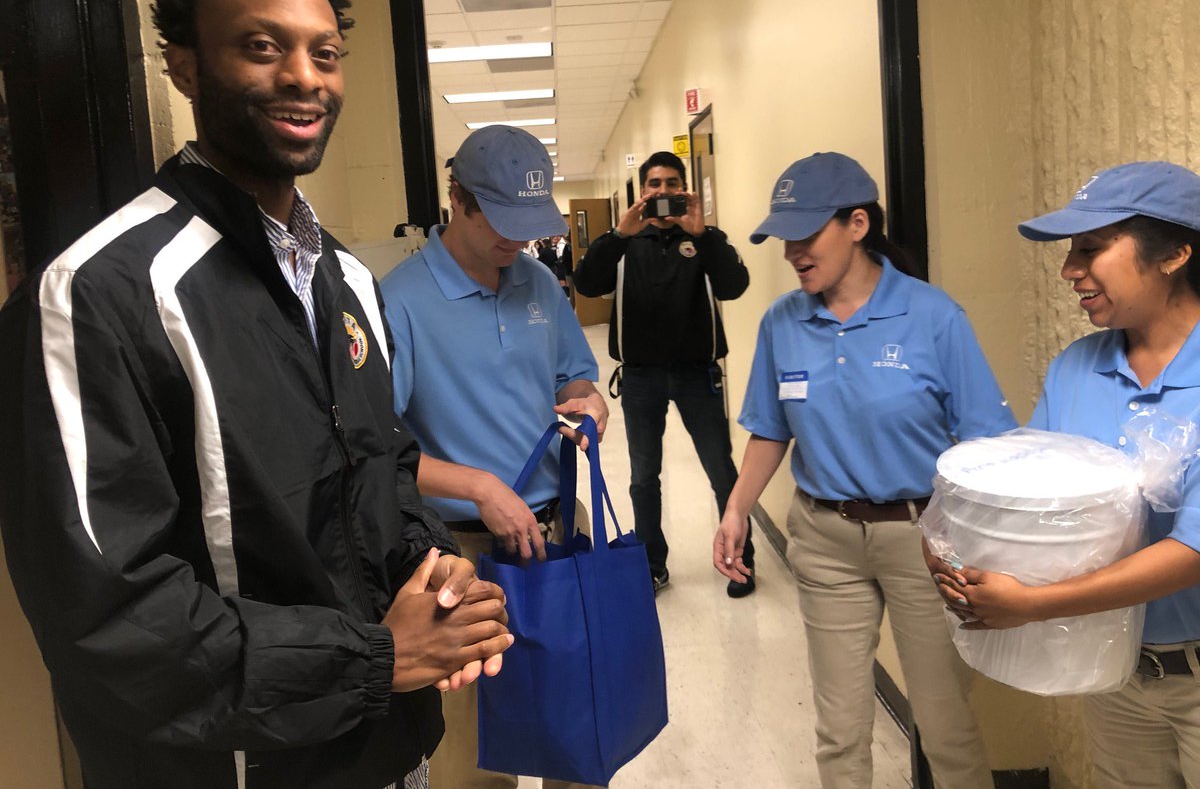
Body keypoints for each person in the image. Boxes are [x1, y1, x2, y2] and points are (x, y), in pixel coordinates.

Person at [0, 0, 513, 789]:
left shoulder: (346, 280)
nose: (305, 77)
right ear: (186, 67)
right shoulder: (95, 295)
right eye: (262, 47)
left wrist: (438, 572)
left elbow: (382, 474)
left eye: (325, 53)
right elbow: (105, 617)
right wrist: (378, 657)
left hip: (388, 751)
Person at [713, 152, 1013, 788]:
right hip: (824, 541)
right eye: (784, 239)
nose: (793, 252)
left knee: (944, 728)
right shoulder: (782, 323)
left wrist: (990, 547)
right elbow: (772, 428)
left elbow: (988, 442)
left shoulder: (933, 317)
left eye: (806, 235)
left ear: (857, 224)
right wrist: (737, 508)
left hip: (924, 541)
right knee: (840, 733)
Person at [930, 161, 1200, 789]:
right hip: (1117, 671)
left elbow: (1192, 551)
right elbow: (1037, 496)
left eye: (1091, 248)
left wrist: (1032, 605)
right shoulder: (1078, 367)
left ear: (1175, 253)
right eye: (1069, 251)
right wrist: (951, 541)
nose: (1069, 270)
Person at [380, 125, 608, 789]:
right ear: (458, 199)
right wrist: (478, 486)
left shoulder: (537, 282)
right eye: (502, 222)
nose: (518, 241)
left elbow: (575, 376)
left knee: (574, 728)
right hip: (459, 555)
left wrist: (589, 404)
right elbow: (376, 453)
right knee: (477, 757)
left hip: (558, 534)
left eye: (529, 225)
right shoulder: (401, 302)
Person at [573, 150, 753, 596]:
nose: (664, 193)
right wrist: (617, 234)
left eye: (673, 184)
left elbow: (735, 285)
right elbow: (586, 283)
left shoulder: (705, 240)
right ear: (642, 193)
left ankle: (741, 561)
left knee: (722, 472)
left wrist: (703, 234)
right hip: (640, 378)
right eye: (655, 184)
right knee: (642, 478)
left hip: (697, 375)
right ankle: (653, 564)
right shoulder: (625, 244)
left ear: (685, 190)